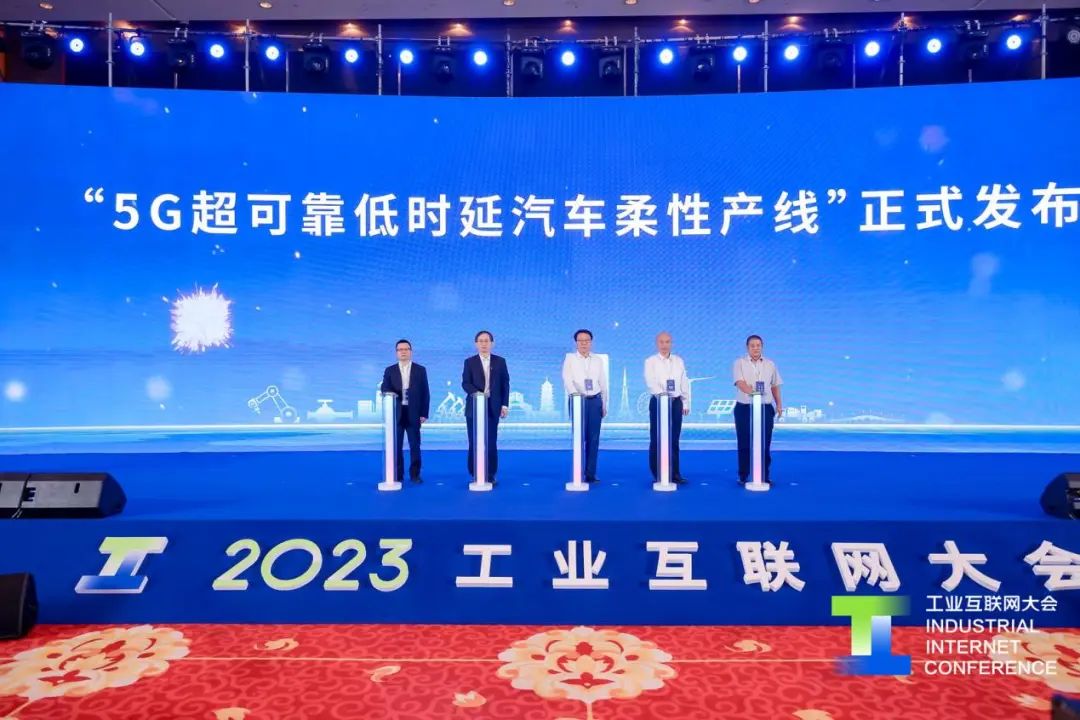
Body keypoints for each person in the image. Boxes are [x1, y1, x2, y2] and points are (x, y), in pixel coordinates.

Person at [732, 334, 783, 486]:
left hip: (765, 407)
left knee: (765, 443)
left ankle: (764, 476)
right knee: (744, 442)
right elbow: (739, 382)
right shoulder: (739, 363)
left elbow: (775, 386)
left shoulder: (770, 364)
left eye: (758, 345)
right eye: (752, 345)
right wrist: (753, 393)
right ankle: (743, 475)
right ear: (747, 347)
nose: (755, 348)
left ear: (762, 347)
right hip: (745, 407)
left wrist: (779, 404)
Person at [462, 330, 510, 485]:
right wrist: (477, 394)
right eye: (481, 341)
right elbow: (465, 383)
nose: (484, 344)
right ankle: (475, 472)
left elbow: (505, 384)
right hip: (474, 407)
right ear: (476, 344)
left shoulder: (500, 361)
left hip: (493, 408)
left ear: (492, 343)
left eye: (487, 341)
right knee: (474, 441)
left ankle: (490, 474)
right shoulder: (469, 362)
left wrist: (504, 404)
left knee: (491, 441)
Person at [380, 339, 430, 484]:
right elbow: (384, 388)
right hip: (396, 414)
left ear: (411, 352)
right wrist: (391, 393)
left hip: (414, 413)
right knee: (396, 446)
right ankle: (398, 474)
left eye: (406, 349)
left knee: (415, 445)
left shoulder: (420, 370)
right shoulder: (390, 370)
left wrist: (424, 413)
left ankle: (415, 474)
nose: (403, 352)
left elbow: (425, 392)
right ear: (396, 353)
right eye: (400, 350)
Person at [561, 329, 607, 484]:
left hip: (595, 401)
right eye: (580, 341)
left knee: (594, 438)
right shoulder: (570, 359)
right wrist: (575, 395)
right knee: (579, 437)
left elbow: (603, 383)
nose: (584, 343)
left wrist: (604, 403)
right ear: (576, 343)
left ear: (591, 342)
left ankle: (590, 473)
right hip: (577, 400)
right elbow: (567, 379)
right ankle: (578, 472)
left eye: (587, 341)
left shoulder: (597, 360)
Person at [644, 331, 690, 484]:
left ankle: (675, 473)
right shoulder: (650, 361)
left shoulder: (678, 361)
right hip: (658, 402)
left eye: (667, 342)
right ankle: (658, 473)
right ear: (657, 344)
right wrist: (663, 395)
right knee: (657, 437)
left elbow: (684, 381)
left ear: (671, 343)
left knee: (674, 438)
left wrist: (685, 401)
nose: (664, 345)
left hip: (676, 402)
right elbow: (650, 382)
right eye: (661, 342)